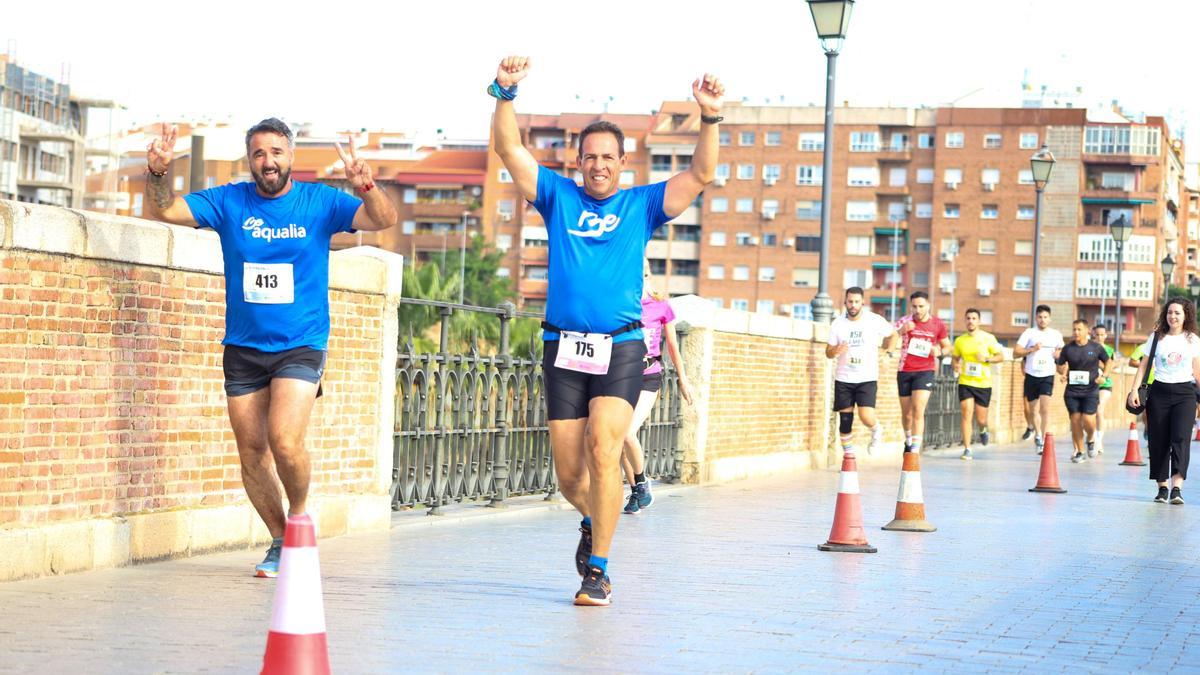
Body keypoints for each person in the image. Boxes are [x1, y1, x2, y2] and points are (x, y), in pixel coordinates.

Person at [490, 56, 724, 606]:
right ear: (579, 161)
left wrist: (710, 119)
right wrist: (504, 92)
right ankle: (596, 520)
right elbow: (508, 150)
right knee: (571, 476)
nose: (598, 165)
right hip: (563, 347)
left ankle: (597, 571)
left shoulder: (640, 205)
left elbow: (701, 175)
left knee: (604, 447)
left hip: (620, 347)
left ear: (623, 162)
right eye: (590, 157)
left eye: (608, 158)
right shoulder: (556, 195)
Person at [143, 119, 398, 577]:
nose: (269, 162)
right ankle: (280, 540)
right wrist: (158, 174)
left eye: (277, 152)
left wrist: (367, 188)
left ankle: (299, 517)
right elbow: (166, 212)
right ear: (250, 160)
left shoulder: (318, 202)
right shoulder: (228, 201)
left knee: (284, 438)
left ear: (291, 157)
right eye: (260, 154)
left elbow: (383, 220)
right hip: (242, 345)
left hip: (301, 343)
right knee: (251, 452)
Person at [621, 261, 694, 515]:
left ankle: (642, 482)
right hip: (622, 375)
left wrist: (683, 380)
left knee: (627, 432)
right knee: (617, 437)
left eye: (643, 274)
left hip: (648, 376)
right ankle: (636, 491)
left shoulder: (661, 305)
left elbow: (673, 345)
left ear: (648, 275)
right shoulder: (621, 304)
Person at [1127, 297, 1200, 505]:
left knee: (1180, 439)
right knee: (1158, 441)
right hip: (1158, 392)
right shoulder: (1156, 337)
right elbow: (1143, 366)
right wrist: (1134, 390)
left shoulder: (1192, 340)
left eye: (1177, 313)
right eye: (1169, 312)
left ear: (1186, 315)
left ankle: (1177, 488)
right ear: (1165, 315)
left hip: (1185, 393)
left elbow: (1197, 371)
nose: (1173, 316)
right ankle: (1162, 488)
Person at [827, 288, 898, 458]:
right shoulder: (837, 324)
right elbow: (828, 352)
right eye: (850, 301)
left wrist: (888, 352)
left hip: (867, 377)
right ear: (845, 302)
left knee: (866, 416)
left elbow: (894, 334)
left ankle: (876, 430)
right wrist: (836, 349)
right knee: (845, 422)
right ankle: (849, 458)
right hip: (844, 377)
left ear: (862, 303)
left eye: (857, 302)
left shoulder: (874, 320)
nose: (853, 305)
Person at [894, 291, 951, 454]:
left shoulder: (937, 324)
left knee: (918, 408)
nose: (917, 310)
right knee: (907, 414)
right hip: (904, 370)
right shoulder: (905, 321)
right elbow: (888, 341)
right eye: (914, 306)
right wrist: (901, 331)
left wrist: (938, 352)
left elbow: (947, 346)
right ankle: (908, 439)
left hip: (925, 371)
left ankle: (915, 450)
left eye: (921, 306)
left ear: (928, 306)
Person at [951, 308, 1003, 460]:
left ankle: (982, 429)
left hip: (983, 384)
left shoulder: (988, 338)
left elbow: (1000, 356)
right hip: (965, 381)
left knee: (981, 419)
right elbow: (955, 357)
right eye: (968, 318)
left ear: (979, 321)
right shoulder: (960, 340)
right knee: (966, 413)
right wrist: (956, 365)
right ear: (965, 320)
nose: (971, 321)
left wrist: (986, 359)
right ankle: (967, 449)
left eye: (974, 318)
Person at [1056, 319, 1111, 463]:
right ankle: (1080, 451)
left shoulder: (1096, 347)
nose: (1076, 332)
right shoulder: (1068, 348)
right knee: (1074, 420)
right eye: (1074, 329)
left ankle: (1091, 438)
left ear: (1087, 331)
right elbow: (1060, 366)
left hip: (1090, 390)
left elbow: (1109, 361)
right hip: (1072, 391)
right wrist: (1062, 374)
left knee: (1087, 419)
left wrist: (1104, 376)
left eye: (1079, 329)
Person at [1013, 305, 1065, 455]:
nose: (1043, 320)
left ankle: (1043, 439)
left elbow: (1063, 352)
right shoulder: (1029, 333)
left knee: (1045, 408)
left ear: (1050, 318)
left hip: (1047, 374)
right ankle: (1037, 434)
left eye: (1045, 317)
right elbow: (1016, 352)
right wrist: (1031, 349)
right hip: (1031, 375)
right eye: (1040, 317)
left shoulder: (1056, 334)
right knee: (1033, 410)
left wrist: (1058, 354)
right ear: (1036, 318)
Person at [1092, 324, 1114, 450]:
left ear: (1105, 336)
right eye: (1097, 334)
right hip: (1090, 384)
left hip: (1105, 384)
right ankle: (1092, 436)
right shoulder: (1089, 348)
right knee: (1090, 413)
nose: (1099, 337)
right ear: (1093, 334)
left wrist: (1101, 365)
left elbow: (1109, 368)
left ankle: (1099, 440)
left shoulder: (1109, 351)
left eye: (1102, 335)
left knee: (1099, 410)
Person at [1129, 340, 1156, 444]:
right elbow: (1132, 361)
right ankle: (1148, 428)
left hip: (1162, 383)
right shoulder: (1144, 347)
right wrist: (1146, 364)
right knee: (1146, 412)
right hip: (1146, 384)